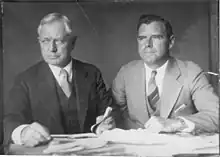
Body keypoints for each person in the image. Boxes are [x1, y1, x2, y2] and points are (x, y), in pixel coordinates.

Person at [4, 13, 115, 147]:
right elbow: (10, 120)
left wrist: (103, 125)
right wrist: (22, 133)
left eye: (59, 41)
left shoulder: (92, 73)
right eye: (46, 41)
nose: (52, 48)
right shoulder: (25, 80)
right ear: (39, 42)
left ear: (73, 43)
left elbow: (107, 112)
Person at [112, 14, 219, 134]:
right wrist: (106, 122)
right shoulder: (126, 73)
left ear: (171, 42)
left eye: (156, 37)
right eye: (142, 38)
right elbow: (111, 111)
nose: (148, 44)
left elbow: (216, 115)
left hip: (178, 150)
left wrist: (177, 123)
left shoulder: (191, 72)